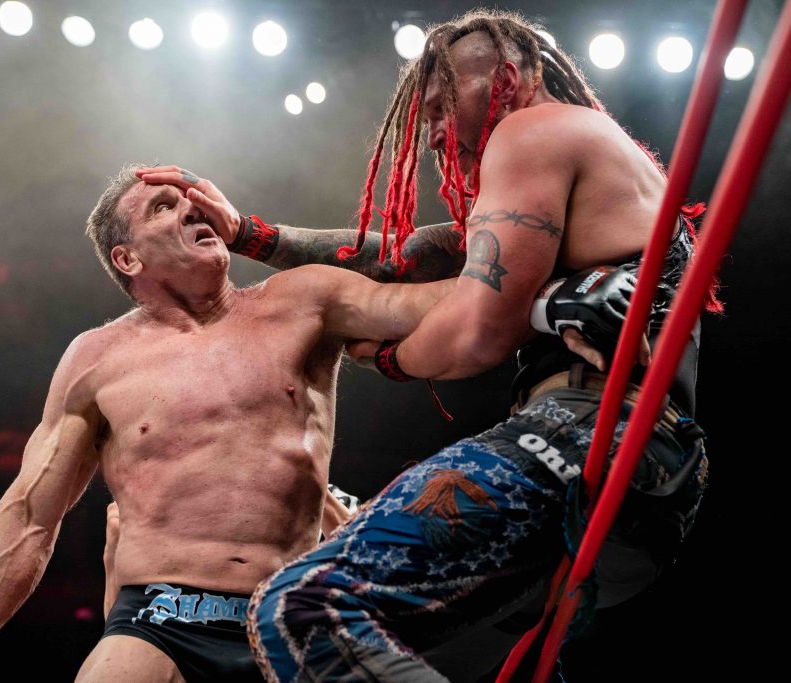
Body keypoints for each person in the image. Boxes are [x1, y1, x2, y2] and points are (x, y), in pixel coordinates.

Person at [232, 10, 714, 681]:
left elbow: (477, 331)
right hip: (655, 473)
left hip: (584, 437)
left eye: (440, 105)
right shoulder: (590, 162)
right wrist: (249, 234)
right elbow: (405, 259)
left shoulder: (530, 132)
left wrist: (390, 358)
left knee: (306, 606)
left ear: (508, 77)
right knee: (444, 659)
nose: (432, 132)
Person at [0, 163, 455, 683]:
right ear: (128, 258)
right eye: (163, 207)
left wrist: (511, 254)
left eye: (192, 199)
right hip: (160, 619)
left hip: (291, 611)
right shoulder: (97, 359)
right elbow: (32, 511)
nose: (193, 208)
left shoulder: (304, 299)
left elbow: (435, 298)